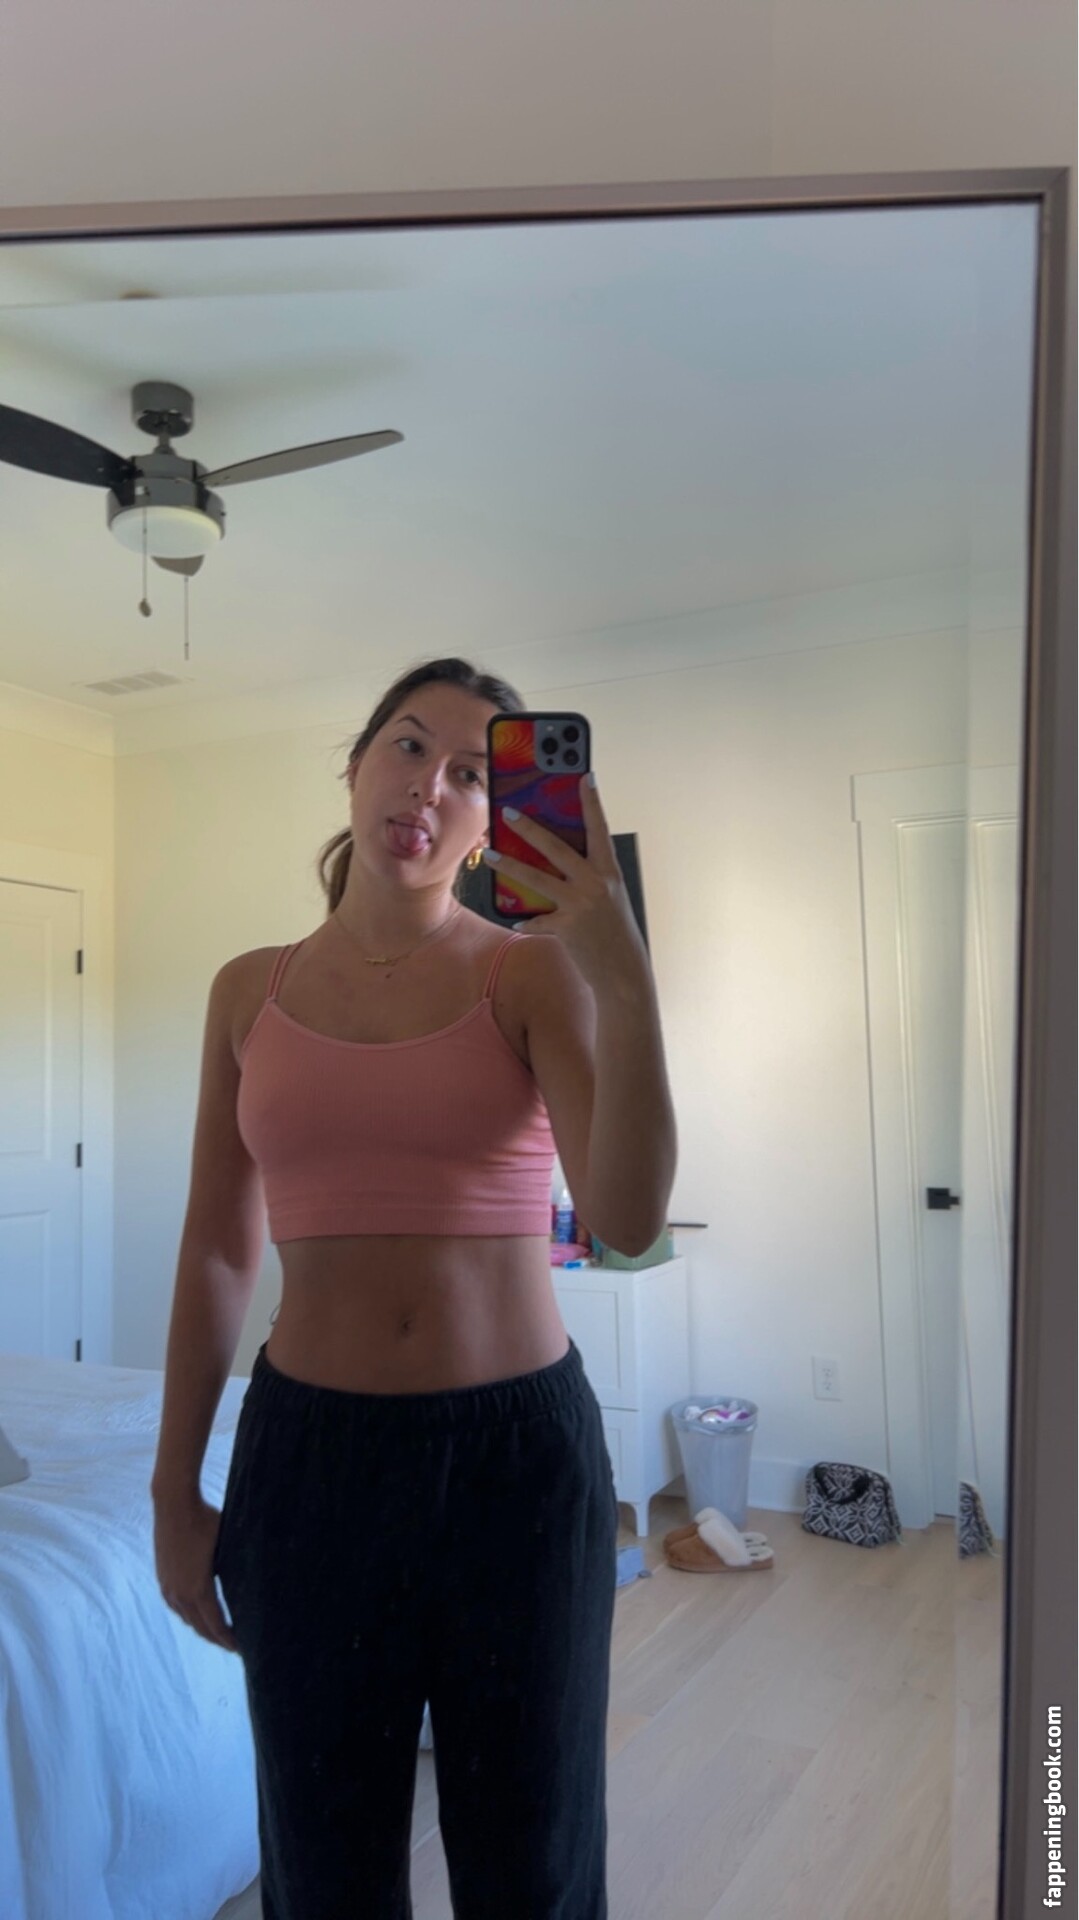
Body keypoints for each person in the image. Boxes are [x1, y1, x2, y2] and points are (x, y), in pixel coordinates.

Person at [150, 655, 677, 1920]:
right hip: (309, 1465)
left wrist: (620, 970)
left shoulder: (530, 975)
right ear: (353, 763)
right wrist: (174, 1490)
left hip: (516, 1467)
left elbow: (625, 1218)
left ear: (494, 822)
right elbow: (217, 1248)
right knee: (322, 1865)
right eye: (406, 745)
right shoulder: (247, 990)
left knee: (532, 1863)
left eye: (471, 774)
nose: (429, 787)